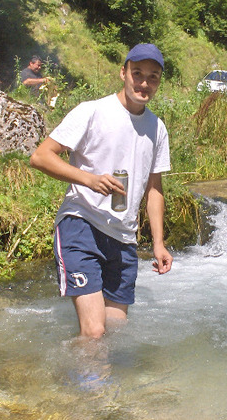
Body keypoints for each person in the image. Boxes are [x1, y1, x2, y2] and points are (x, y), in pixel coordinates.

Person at [30, 43, 173, 339]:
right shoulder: (92, 112)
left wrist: (158, 243)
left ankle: (92, 381)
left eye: (153, 77)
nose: (144, 83)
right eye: (137, 73)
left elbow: (154, 189)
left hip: (123, 238)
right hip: (82, 224)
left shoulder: (157, 128)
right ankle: (83, 384)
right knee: (95, 332)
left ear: (159, 82)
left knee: (116, 333)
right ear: (123, 73)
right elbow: (41, 156)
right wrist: (88, 179)